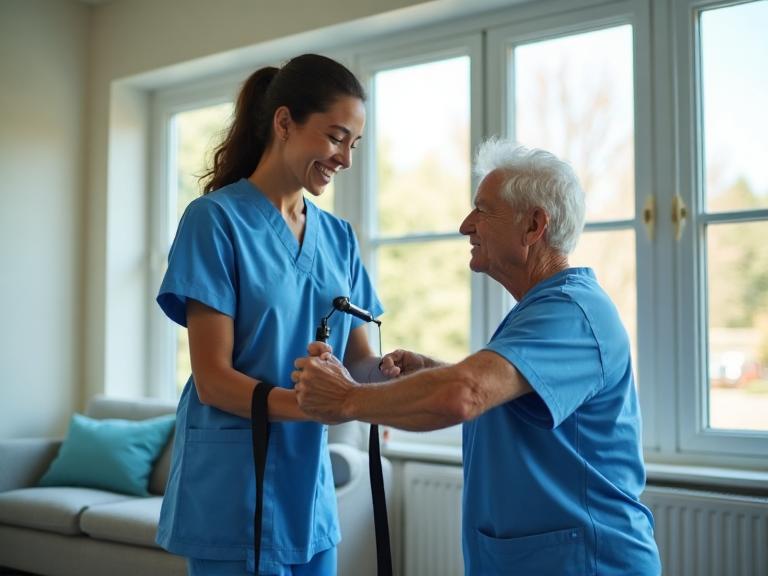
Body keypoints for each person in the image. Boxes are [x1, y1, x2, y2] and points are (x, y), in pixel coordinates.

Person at [293, 139, 662, 575]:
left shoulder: (571, 313)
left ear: (534, 226)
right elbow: (505, 397)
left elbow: (464, 395)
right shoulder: (543, 309)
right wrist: (436, 372)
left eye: (482, 210)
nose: (466, 225)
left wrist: (345, 399)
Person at [155, 54, 386, 576]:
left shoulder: (340, 239)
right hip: (231, 489)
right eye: (335, 137)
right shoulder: (213, 221)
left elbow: (358, 361)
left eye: (354, 144)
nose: (346, 158)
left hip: (309, 493)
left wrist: (389, 379)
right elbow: (212, 380)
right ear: (285, 123)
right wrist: (322, 405)